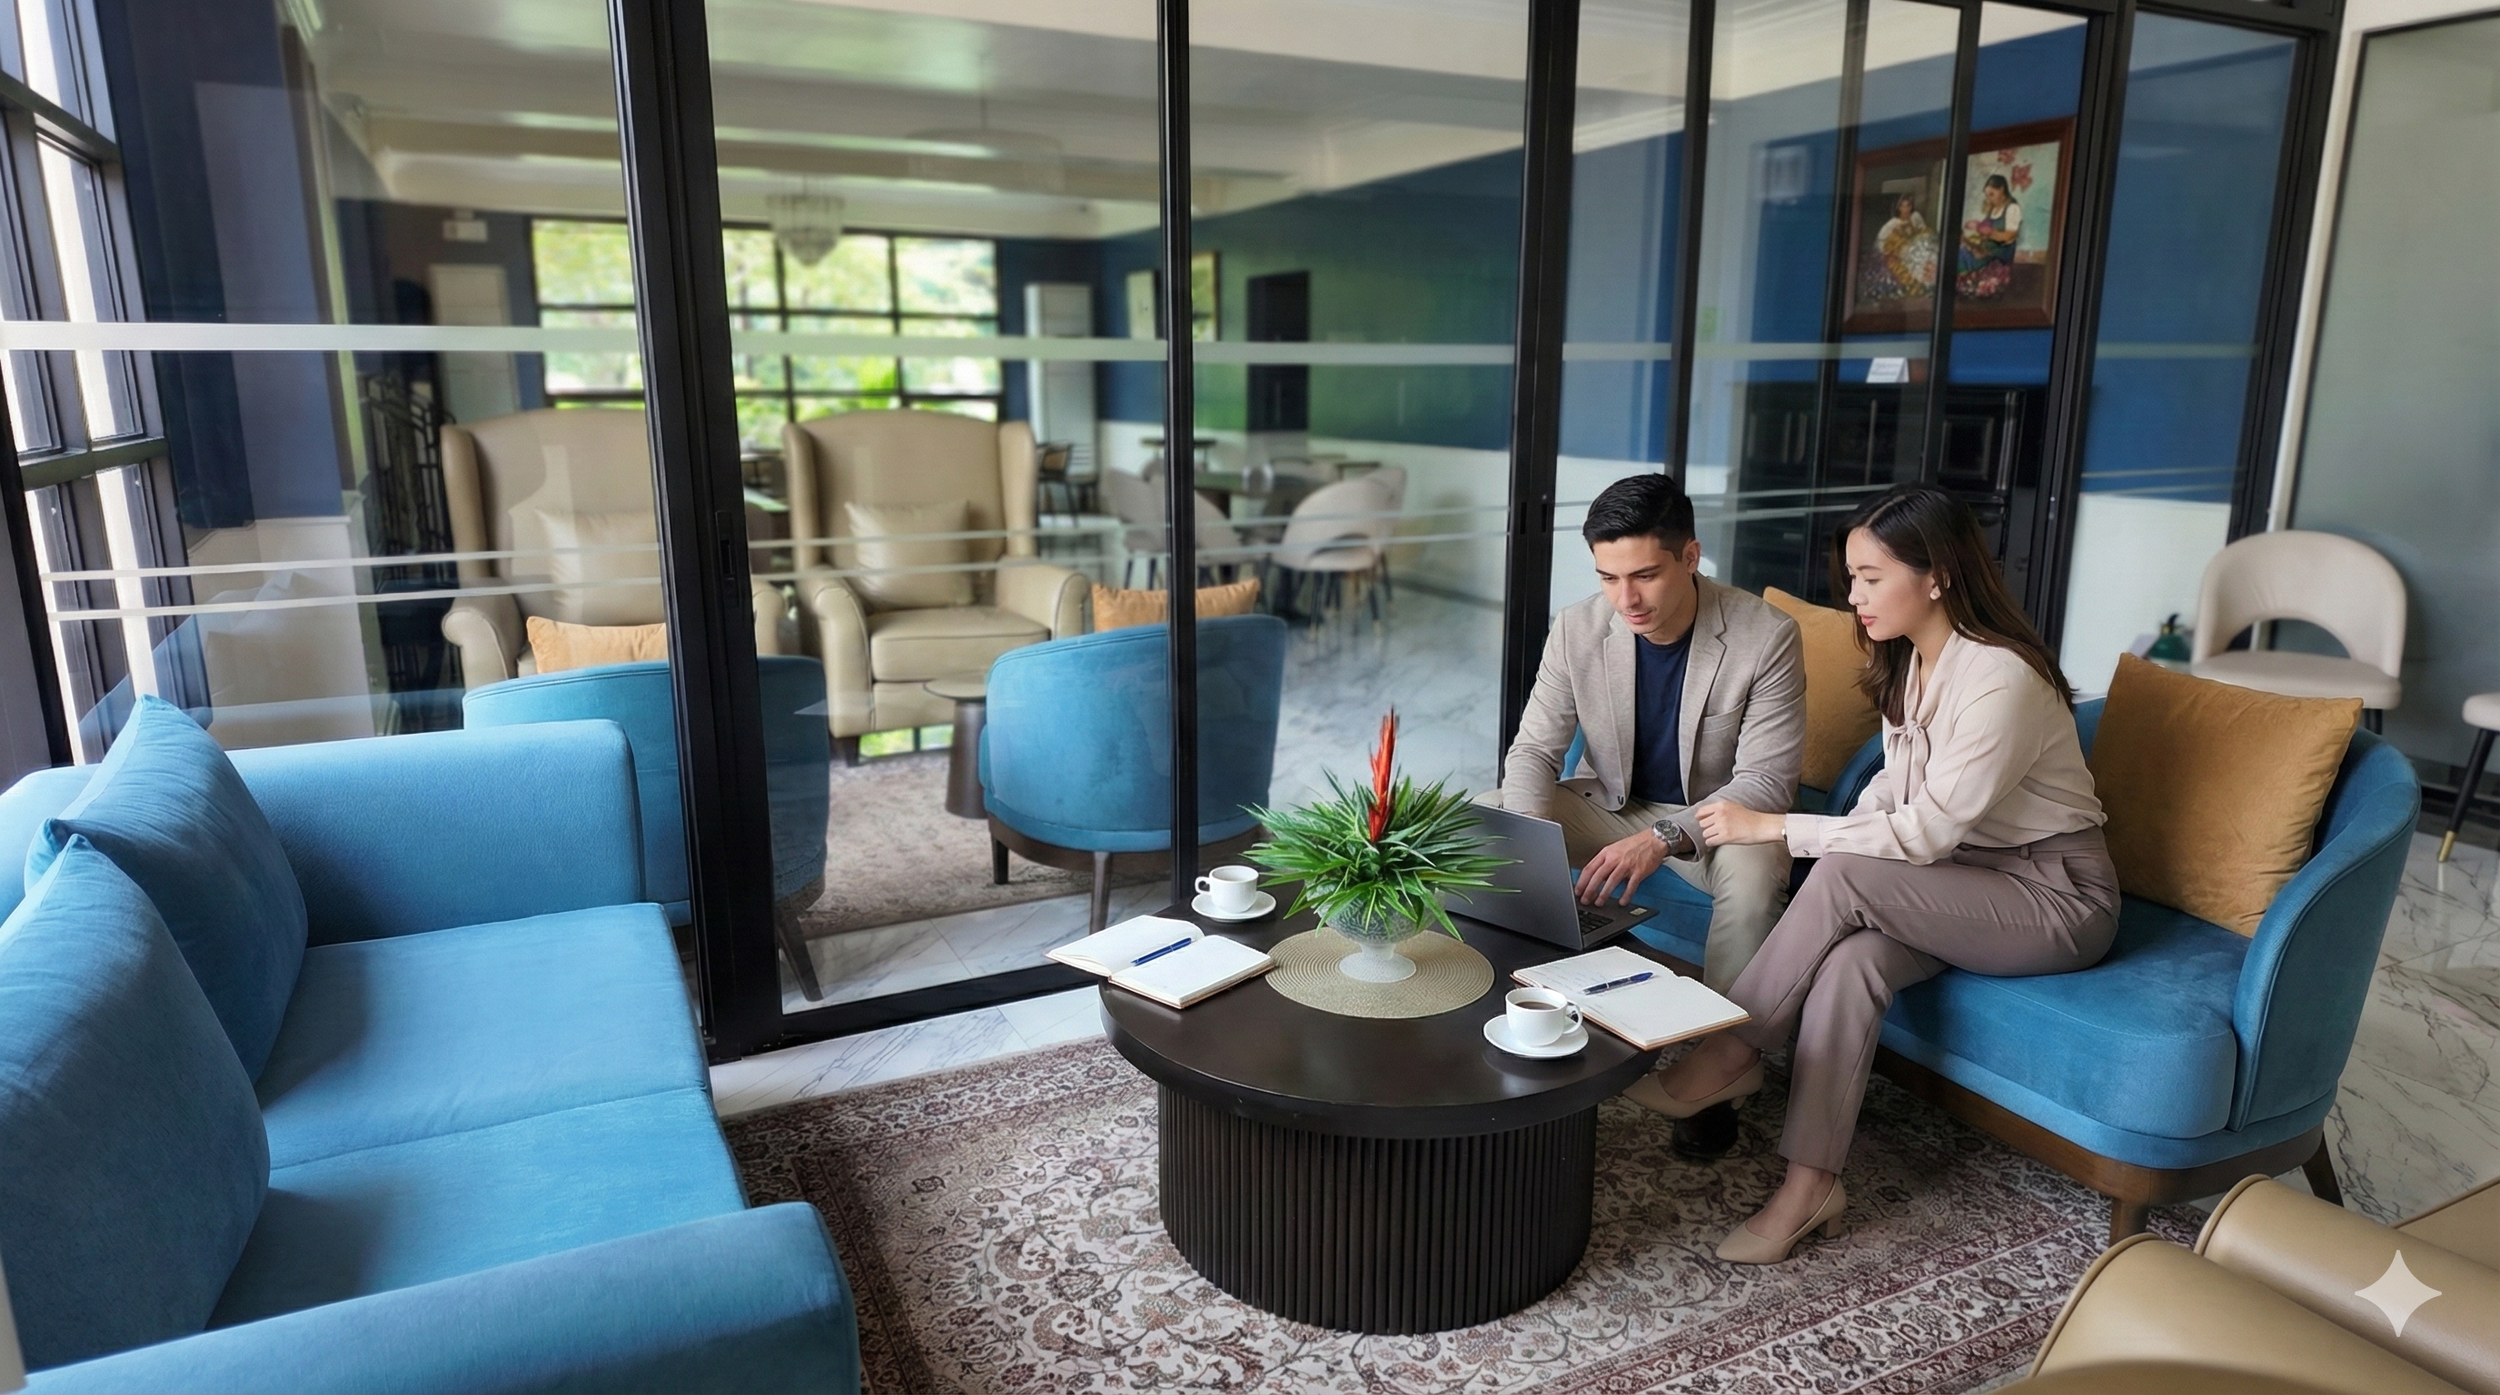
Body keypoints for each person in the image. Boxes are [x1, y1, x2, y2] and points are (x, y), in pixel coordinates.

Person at [1631, 481, 2117, 1264]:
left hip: (2052, 896)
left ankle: (1729, 1048)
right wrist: (1821, 830)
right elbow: (1891, 794)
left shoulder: (2001, 678)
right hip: (1959, 884)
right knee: (1853, 963)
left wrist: (1775, 826)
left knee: (1848, 873)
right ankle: (1810, 1184)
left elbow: (1919, 832)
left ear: (1938, 574)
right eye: (1851, 576)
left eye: (1871, 576)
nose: (1853, 595)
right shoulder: (1910, 664)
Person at [1499, 474, 1808, 1152]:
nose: (1625, 598)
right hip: (1612, 802)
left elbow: (1767, 779)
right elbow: (1532, 750)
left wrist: (1664, 836)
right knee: (1488, 818)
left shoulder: (1766, 636)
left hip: (1720, 819)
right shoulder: (1579, 627)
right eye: (1609, 577)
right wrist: (1531, 835)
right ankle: (1508, 1006)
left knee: (1756, 879)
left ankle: (1723, 1065)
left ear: (1690, 556)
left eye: (1643, 575)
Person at [1957, 173, 2022, 299]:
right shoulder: (1993, 209)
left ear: (2002, 189)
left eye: (1992, 194)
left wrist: (1988, 232)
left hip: (2000, 253)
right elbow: (1985, 231)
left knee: (1964, 257)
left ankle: (1967, 284)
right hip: (1987, 249)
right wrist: (1977, 226)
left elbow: (2009, 236)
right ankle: (1964, 285)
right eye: (1987, 196)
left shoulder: (2012, 208)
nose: (1989, 199)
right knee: (1960, 252)